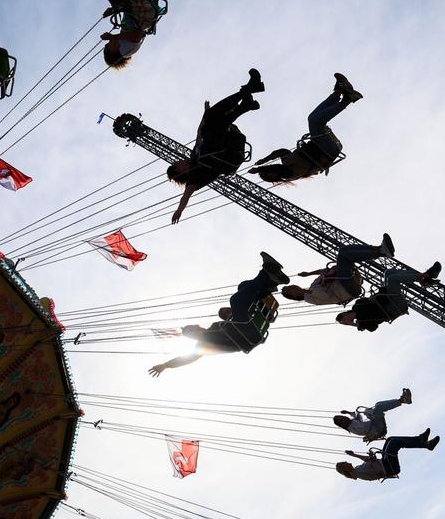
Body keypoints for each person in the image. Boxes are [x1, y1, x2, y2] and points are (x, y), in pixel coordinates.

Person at [148, 252, 288, 376]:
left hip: (245, 328)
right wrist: (166, 365)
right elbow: (186, 359)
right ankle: (267, 272)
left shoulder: (215, 327)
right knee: (236, 299)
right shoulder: (203, 344)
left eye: (193, 328)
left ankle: (271, 282)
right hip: (244, 335)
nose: (196, 329)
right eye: (192, 330)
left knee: (242, 287)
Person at [167, 69, 265, 223]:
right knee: (209, 128)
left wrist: (205, 112)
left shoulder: (194, 155)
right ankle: (247, 100)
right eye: (176, 164)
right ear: (178, 170)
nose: (179, 162)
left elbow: (199, 133)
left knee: (210, 118)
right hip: (228, 155)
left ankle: (249, 92)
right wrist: (179, 211)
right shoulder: (193, 179)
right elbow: (185, 197)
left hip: (228, 138)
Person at [249, 74, 363, 183]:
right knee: (314, 121)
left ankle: (339, 91)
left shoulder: (286, 161)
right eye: (269, 174)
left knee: (312, 118)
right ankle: (346, 100)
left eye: (267, 172)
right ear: (274, 177)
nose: (270, 172)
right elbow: (279, 168)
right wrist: (260, 169)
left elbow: (281, 152)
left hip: (321, 146)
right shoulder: (289, 174)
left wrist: (264, 160)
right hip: (326, 151)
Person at [281, 234, 394, 306]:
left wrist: (308, 274)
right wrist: (304, 292)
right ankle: (381, 251)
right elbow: (326, 295)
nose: (293, 287)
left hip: (344, 280)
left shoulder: (313, 285)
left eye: (290, 287)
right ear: (294, 296)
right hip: (346, 289)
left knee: (343, 250)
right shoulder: (310, 298)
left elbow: (323, 272)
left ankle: (379, 249)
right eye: (291, 291)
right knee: (343, 254)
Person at [336, 262, 442, 332]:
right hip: (393, 307)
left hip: (386, 297)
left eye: (343, 318)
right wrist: (352, 325)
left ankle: (424, 279)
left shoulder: (357, 305)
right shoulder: (362, 322)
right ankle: (424, 277)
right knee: (392, 279)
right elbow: (373, 328)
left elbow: (370, 299)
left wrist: (373, 297)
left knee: (388, 273)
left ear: (344, 314)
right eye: (344, 321)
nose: (346, 319)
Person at [336, 430, 440, 481]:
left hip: (385, 463)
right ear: (345, 469)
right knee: (394, 443)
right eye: (345, 463)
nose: (348, 462)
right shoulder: (358, 473)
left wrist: (354, 454)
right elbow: (376, 471)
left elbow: (368, 460)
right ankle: (425, 444)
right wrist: (373, 460)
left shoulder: (357, 469)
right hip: (389, 468)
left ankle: (421, 440)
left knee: (390, 439)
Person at [333, 388, 412, 442]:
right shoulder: (352, 427)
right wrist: (372, 417)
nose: (344, 418)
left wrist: (347, 412)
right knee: (378, 408)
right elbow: (364, 427)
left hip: (376, 425)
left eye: (342, 417)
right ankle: (402, 400)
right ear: (342, 424)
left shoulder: (352, 423)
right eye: (342, 419)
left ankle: (402, 400)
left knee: (377, 405)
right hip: (378, 429)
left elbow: (356, 417)